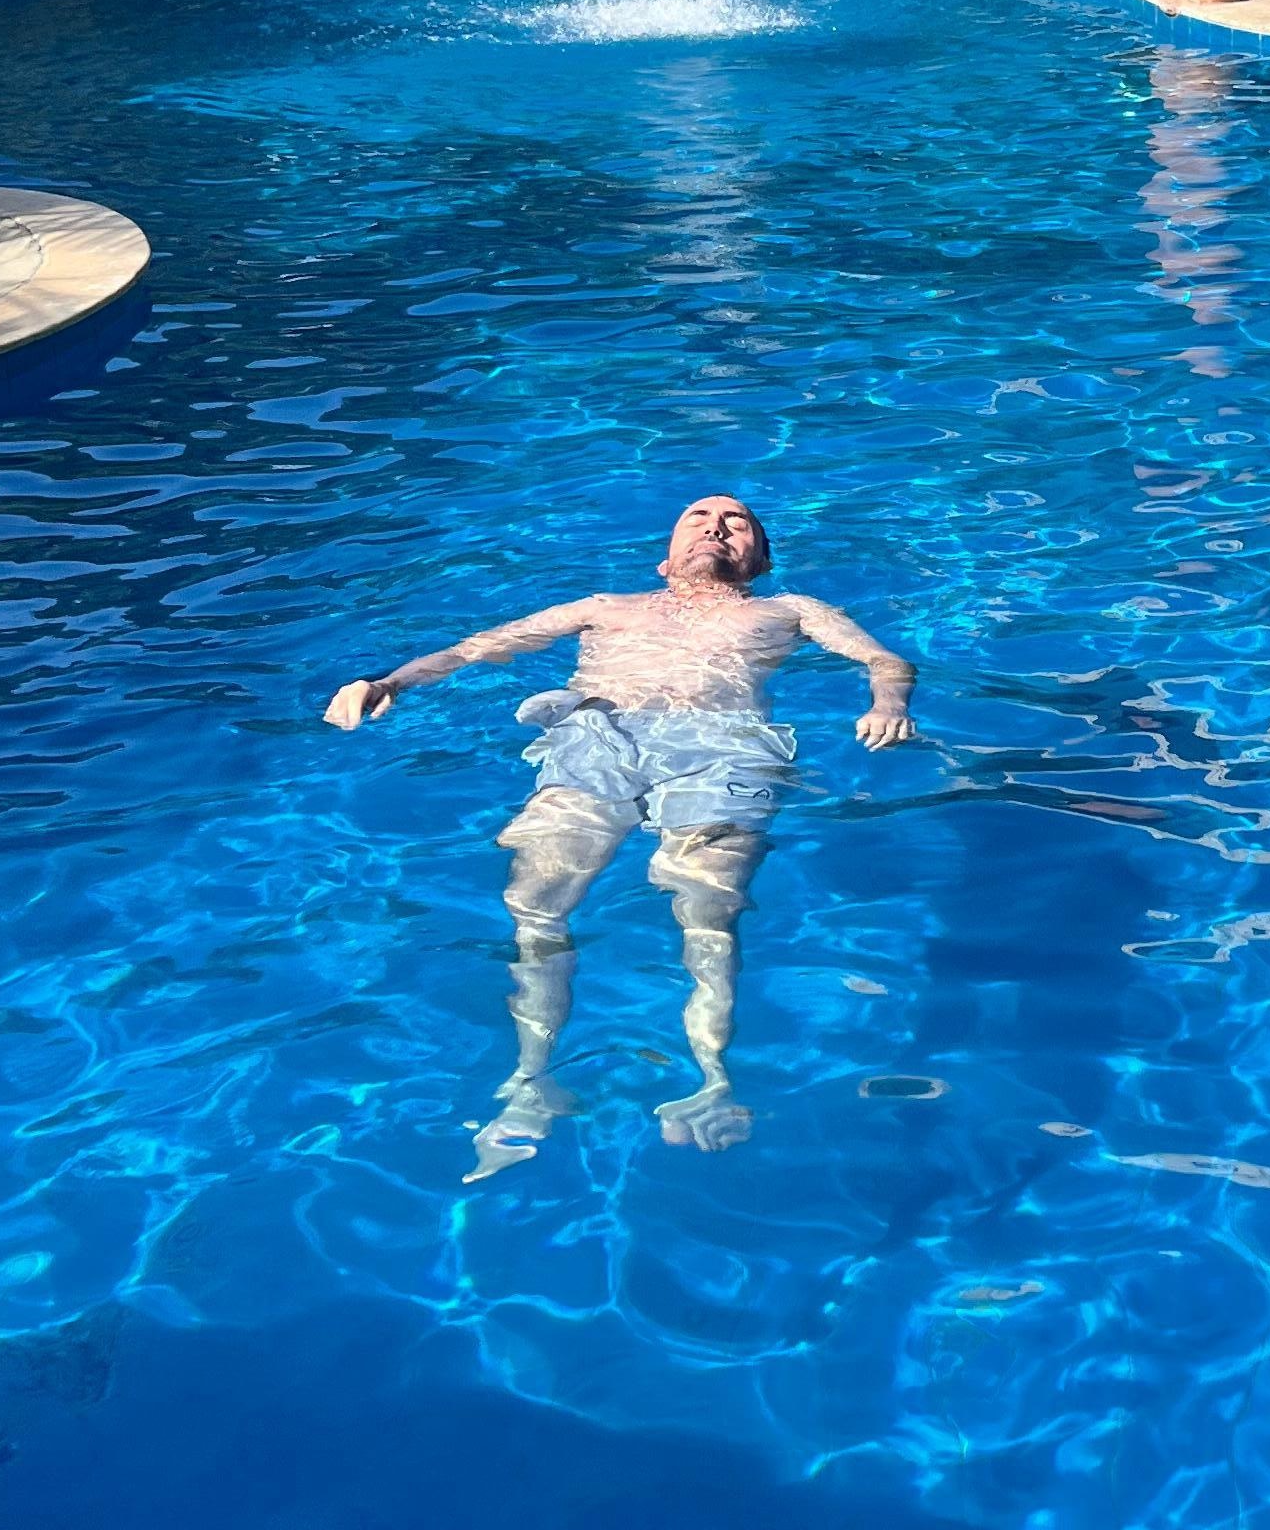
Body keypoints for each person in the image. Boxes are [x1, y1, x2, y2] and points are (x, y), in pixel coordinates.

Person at [324, 494, 912, 1170]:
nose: (716, 526)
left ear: (760, 560)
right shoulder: (605, 607)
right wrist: (388, 682)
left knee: (708, 906)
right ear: (665, 559)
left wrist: (887, 704)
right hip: (595, 737)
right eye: (698, 518)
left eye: (736, 522)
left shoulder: (789, 609)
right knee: (536, 902)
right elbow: (476, 648)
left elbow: (884, 661)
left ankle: (712, 1081)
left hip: (723, 745)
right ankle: (530, 1081)